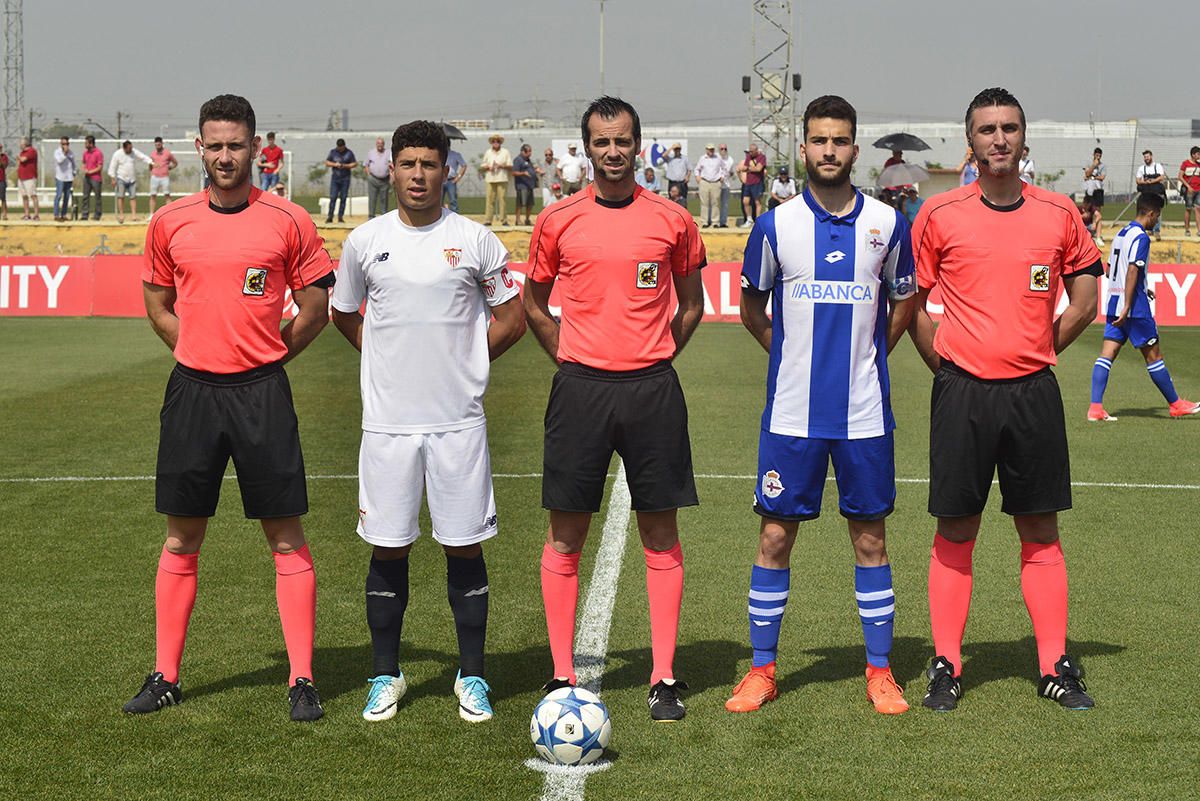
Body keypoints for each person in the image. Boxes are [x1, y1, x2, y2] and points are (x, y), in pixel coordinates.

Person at [126, 93, 336, 722]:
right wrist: (197, 348)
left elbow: (316, 307)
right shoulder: (170, 221)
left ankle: (301, 678)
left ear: (256, 149)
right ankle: (166, 675)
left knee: (285, 534)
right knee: (182, 536)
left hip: (262, 393)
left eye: (235, 145)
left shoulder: (288, 220)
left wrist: (265, 357)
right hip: (192, 392)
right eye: (214, 146)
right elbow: (158, 304)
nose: (225, 156)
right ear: (200, 148)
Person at [908, 87, 1103, 713]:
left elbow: (1086, 298)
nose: (999, 138)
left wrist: (1038, 348)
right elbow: (913, 305)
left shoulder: (1059, 213)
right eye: (987, 129)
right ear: (970, 142)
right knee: (955, 528)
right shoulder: (938, 213)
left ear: (1024, 137)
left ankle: (1054, 665)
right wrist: (946, 366)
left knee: (1040, 528)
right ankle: (946, 664)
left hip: (1032, 393)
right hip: (961, 393)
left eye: (1009, 128)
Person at [726, 94, 917, 717]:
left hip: (863, 414)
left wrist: (871, 356)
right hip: (791, 415)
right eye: (819, 140)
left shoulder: (888, 224)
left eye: (839, 141)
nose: (829, 150)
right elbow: (752, 307)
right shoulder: (774, 226)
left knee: (871, 542)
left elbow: (904, 300)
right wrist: (786, 355)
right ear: (803, 147)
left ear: (854, 149)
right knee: (774, 536)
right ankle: (762, 671)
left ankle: (881, 672)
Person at [331, 119, 526, 725]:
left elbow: (512, 318)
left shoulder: (475, 240)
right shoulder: (365, 242)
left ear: (448, 170)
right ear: (391, 169)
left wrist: (465, 366)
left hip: (457, 423)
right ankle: (385, 675)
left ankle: (473, 676)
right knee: (388, 548)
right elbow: (343, 313)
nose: (418, 175)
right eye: (408, 163)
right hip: (388, 425)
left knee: (463, 546)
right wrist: (385, 359)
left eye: (429, 164)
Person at [523, 95, 706, 722]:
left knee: (660, 531)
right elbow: (534, 303)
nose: (612, 151)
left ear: (638, 144)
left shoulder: (673, 219)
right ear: (586, 148)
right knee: (566, 533)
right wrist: (569, 357)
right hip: (580, 390)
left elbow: (691, 304)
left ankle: (664, 676)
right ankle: (561, 674)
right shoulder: (557, 220)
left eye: (622, 140)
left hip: (653, 390)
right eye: (601, 142)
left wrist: (656, 353)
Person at [1089, 193, 1199, 421]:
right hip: (1134, 309)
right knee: (1154, 356)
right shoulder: (1141, 237)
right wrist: (1129, 304)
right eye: (1157, 216)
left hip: (1113, 303)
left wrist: (1141, 287)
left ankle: (1095, 408)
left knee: (1106, 355)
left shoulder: (1121, 234)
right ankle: (1176, 404)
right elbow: (1132, 270)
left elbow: (1110, 270)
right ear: (1150, 213)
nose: (1157, 220)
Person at [108, 140, 153, 223]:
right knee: (121, 197)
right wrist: (113, 178)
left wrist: (151, 162)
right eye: (129, 148)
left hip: (132, 179)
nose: (131, 150)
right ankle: (121, 214)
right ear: (124, 148)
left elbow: (142, 157)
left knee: (133, 197)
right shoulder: (117, 154)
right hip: (121, 178)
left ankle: (134, 215)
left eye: (131, 148)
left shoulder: (133, 152)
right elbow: (112, 166)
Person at [479, 133, 512, 226]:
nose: (495, 143)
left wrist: (501, 166)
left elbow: (510, 165)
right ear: (491, 143)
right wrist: (488, 167)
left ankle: (504, 220)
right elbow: (482, 165)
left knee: (502, 200)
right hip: (490, 178)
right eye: (494, 141)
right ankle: (488, 219)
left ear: (500, 142)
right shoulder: (488, 152)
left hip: (502, 178)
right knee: (490, 200)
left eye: (497, 141)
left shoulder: (505, 152)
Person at [1134, 150, 1166, 241]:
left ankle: (1156, 230)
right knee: (1145, 210)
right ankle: (1147, 228)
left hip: (1156, 192)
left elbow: (1161, 177)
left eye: (1147, 156)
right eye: (1145, 157)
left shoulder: (1157, 166)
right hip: (1146, 192)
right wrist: (1145, 182)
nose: (1146, 158)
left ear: (1151, 156)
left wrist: (1153, 181)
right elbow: (1138, 180)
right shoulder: (1141, 168)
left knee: (1157, 211)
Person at [694, 143, 727, 227]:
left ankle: (715, 222)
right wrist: (697, 177)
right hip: (704, 181)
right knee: (704, 203)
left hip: (716, 182)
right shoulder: (702, 158)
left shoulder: (718, 158)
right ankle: (704, 222)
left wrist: (722, 176)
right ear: (706, 150)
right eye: (709, 149)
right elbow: (697, 169)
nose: (711, 151)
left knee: (715, 203)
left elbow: (724, 168)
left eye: (712, 149)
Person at [325, 138, 357, 223]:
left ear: (344, 146)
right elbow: (327, 162)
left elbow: (354, 163)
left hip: (345, 179)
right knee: (333, 197)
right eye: (339, 147)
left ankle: (340, 217)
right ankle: (330, 216)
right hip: (335, 179)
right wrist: (335, 164)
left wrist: (345, 166)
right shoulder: (333, 152)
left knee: (343, 198)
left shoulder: (349, 153)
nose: (340, 149)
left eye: (341, 147)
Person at [362, 137, 392, 219]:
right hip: (373, 179)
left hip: (385, 180)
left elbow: (392, 164)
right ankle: (371, 216)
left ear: (383, 144)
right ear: (376, 144)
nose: (380, 145)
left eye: (381, 143)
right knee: (372, 198)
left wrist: (391, 178)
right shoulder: (371, 152)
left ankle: (384, 217)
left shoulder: (388, 152)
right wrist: (369, 175)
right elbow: (366, 165)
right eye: (378, 143)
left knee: (384, 199)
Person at [148, 137, 179, 216]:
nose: (158, 145)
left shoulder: (167, 153)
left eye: (159, 143)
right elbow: (150, 165)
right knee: (153, 195)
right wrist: (152, 171)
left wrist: (169, 167)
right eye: (156, 143)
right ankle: (151, 214)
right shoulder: (152, 154)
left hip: (164, 177)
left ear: (162, 143)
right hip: (154, 177)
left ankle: (170, 214)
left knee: (167, 195)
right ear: (155, 144)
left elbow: (175, 163)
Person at [739, 143, 767, 227]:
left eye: (752, 151)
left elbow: (759, 169)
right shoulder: (749, 157)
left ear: (756, 150)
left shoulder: (762, 157)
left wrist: (749, 168)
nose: (750, 153)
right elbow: (743, 168)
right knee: (745, 201)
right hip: (748, 182)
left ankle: (757, 220)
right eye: (749, 151)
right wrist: (751, 168)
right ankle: (749, 219)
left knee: (757, 202)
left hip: (757, 182)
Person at [1083, 147, 1106, 245]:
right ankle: (1088, 233)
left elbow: (1102, 177)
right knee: (1088, 212)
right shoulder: (1089, 163)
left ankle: (1098, 236)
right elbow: (1087, 173)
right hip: (1089, 190)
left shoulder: (1103, 165)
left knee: (1098, 213)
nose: (1098, 157)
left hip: (1098, 190)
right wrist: (1093, 165)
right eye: (1096, 155)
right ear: (1093, 155)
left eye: (1099, 155)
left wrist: (1093, 177)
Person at [512, 143, 537, 225]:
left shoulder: (528, 160)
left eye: (530, 151)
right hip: (522, 186)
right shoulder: (518, 160)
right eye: (528, 151)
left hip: (530, 185)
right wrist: (523, 173)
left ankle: (527, 219)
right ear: (523, 151)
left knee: (530, 204)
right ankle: (518, 220)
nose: (530, 153)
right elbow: (514, 172)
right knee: (520, 203)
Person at [1178, 146, 1200, 237]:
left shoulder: (1199, 165)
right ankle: (1187, 230)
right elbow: (1180, 176)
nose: (1199, 156)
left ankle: (1199, 230)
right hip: (1189, 191)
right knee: (1188, 209)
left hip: (1198, 190)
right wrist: (1188, 186)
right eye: (1198, 154)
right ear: (1193, 154)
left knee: (1198, 209)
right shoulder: (1185, 163)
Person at [53, 137, 77, 222]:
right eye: (63, 144)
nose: (65, 145)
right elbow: (59, 161)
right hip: (60, 177)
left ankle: (64, 214)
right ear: (61, 144)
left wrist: (74, 172)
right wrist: (64, 153)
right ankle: (56, 215)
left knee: (66, 197)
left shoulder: (71, 153)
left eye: (67, 144)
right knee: (59, 195)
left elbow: (73, 163)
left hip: (69, 177)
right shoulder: (57, 152)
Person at [81, 136, 104, 220]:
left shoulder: (98, 153)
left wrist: (91, 172)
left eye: (86, 143)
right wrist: (84, 169)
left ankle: (97, 215)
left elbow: (99, 167)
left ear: (91, 144)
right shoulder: (85, 153)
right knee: (85, 196)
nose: (85, 144)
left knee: (97, 197)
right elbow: (83, 163)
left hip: (96, 178)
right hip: (87, 178)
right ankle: (85, 214)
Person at [17, 136, 38, 220]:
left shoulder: (32, 151)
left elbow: (23, 160)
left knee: (33, 195)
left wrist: (18, 157)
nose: (20, 145)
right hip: (21, 177)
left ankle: (36, 214)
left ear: (25, 144)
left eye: (21, 143)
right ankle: (27, 214)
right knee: (24, 196)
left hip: (29, 177)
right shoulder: (22, 152)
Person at [443, 146, 467, 212]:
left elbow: (464, 165)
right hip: (440, 181)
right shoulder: (439, 153)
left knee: (453, 200)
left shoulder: (455, 155)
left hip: (451, 180)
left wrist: (458, 177)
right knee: (438, 200)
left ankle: (455, 214)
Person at [718, 144, 735, 227]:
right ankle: (714, 221)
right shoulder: (716, 158)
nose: (723, 150)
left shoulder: (730, 160)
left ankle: (723, 222)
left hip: (726, 184)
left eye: (725, 149)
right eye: (721, 149)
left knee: (725, 204)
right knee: (715, 204)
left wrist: (731, 174)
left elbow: (731, 172)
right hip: (716, 184)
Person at [0, 143, 8, 219]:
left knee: (3, 198)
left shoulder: (4, 156)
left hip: (1, 180)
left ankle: (4, 214)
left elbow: (5, 165)